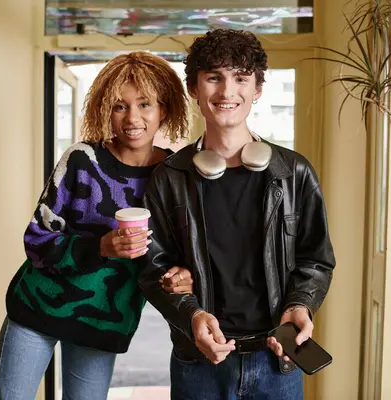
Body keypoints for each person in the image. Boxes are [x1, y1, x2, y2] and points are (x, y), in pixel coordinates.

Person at [139, 29, 336, 400]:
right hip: (198, 363)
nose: (227, 92)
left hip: (278, 362)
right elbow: (152, 269)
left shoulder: (294, 172)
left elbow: (316, 259)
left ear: (257, 90)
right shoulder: (169, 178)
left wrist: (300, 305)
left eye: (241, 78)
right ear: (194, 89)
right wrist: (192, 315)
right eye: (214, 77)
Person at [0, 51, 193, 400]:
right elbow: (37, 240)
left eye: (145, 104)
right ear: (104, 110)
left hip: (104, 319)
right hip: (38, 305)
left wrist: (183, 273)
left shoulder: (174, 176)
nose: (133, 118)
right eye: (119, 106)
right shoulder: (82, 159)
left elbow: (178, 252)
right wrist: (100, 247)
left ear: (165, 110)